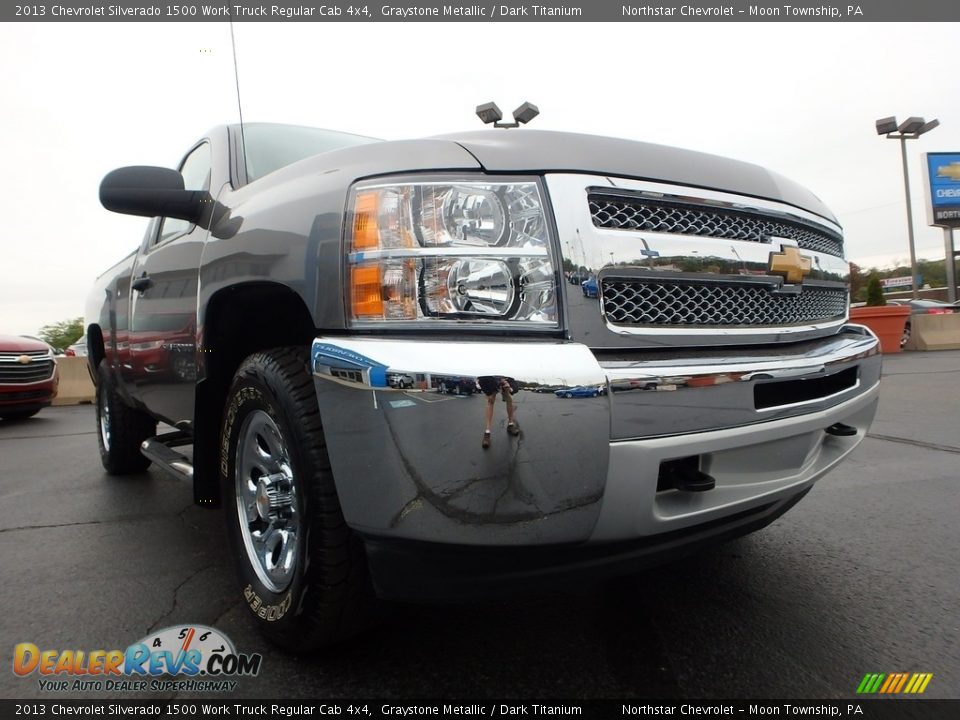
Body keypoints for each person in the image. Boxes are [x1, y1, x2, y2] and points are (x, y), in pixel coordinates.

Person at [477, 376, 520, 449]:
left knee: (509, 399)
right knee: (490, 401)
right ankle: (487, 432)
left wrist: (509, 388)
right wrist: (489, 393)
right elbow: (481, 382)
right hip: (491, 382)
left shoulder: (508, 379)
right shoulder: (487, 379)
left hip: (504, 383)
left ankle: (510, 425)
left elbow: (515, 387)